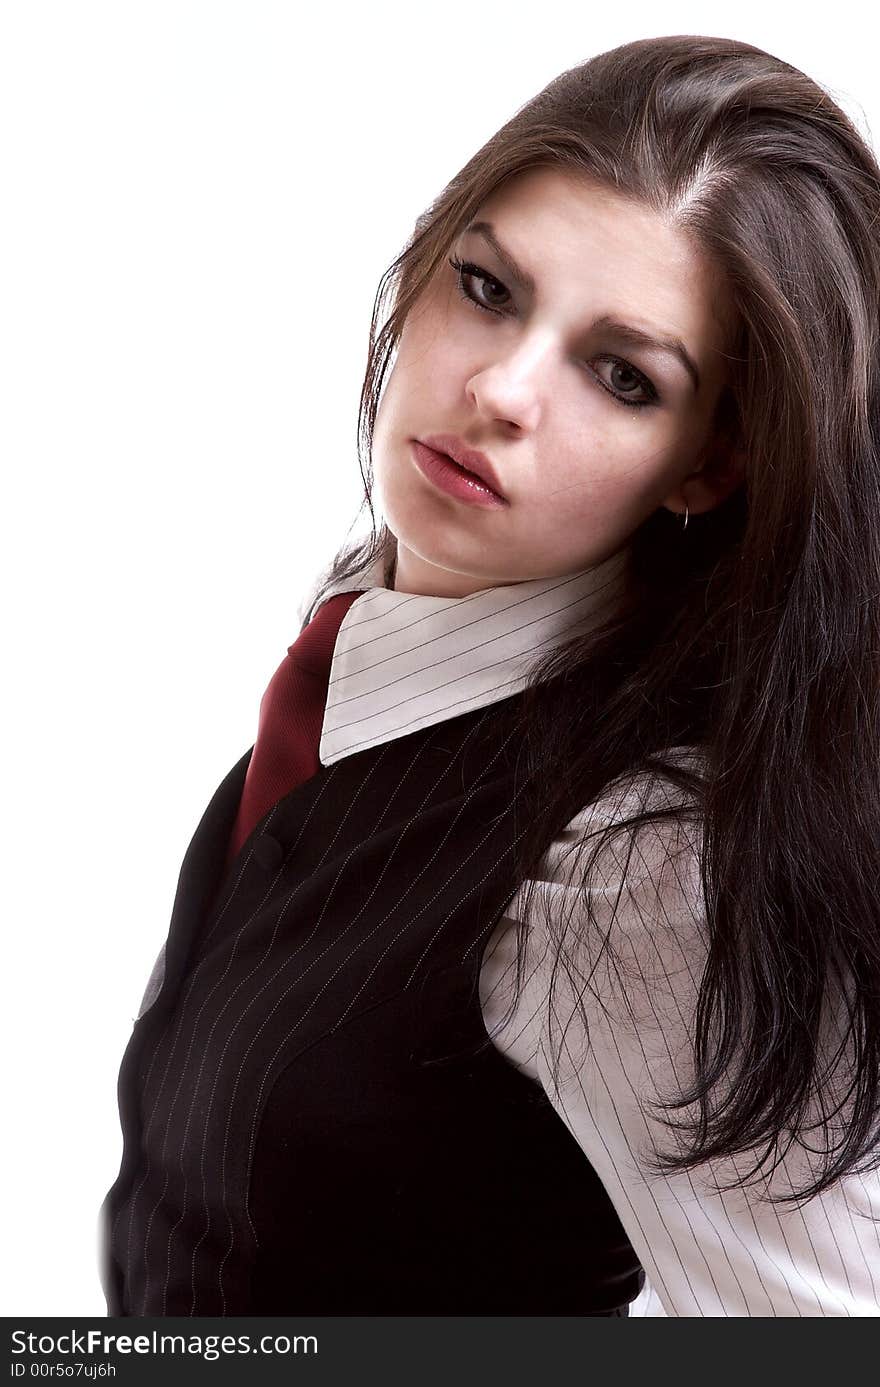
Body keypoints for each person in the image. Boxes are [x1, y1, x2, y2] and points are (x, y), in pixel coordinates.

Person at [98, 33, 880, 1317]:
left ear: (707, 466)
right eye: (488, 287)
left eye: (622, 376)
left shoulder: (636, 867)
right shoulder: (390, 608)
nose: (500, 390)